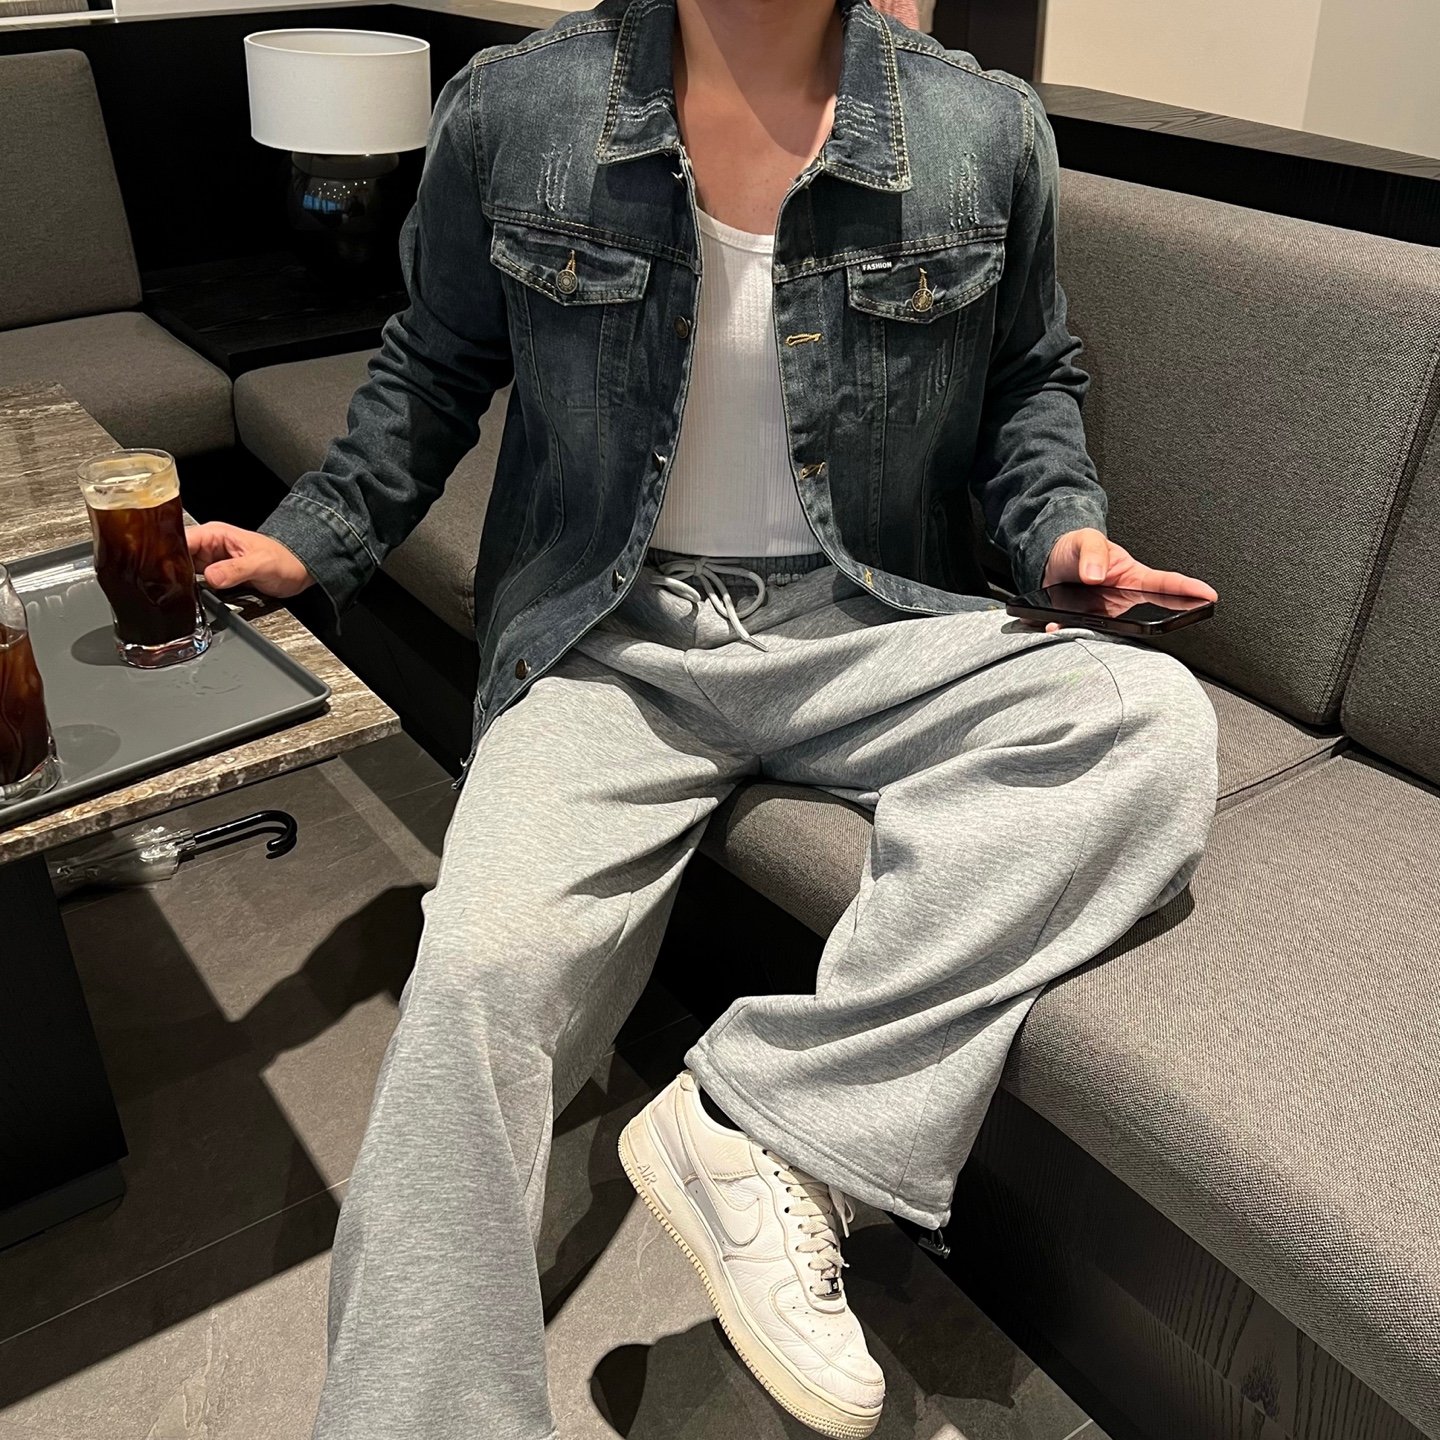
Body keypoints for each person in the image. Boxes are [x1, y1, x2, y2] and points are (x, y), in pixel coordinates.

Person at [188, 1, 1219, 1435]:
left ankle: (760, 1129)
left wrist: (1061, 530)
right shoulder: (517, 110)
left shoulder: (981, 130)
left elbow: (1028, 384)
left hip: (867, 621)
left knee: (1143, 716)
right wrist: (315, 539)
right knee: (477, 984)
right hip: (612, 637)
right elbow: (433, 365)